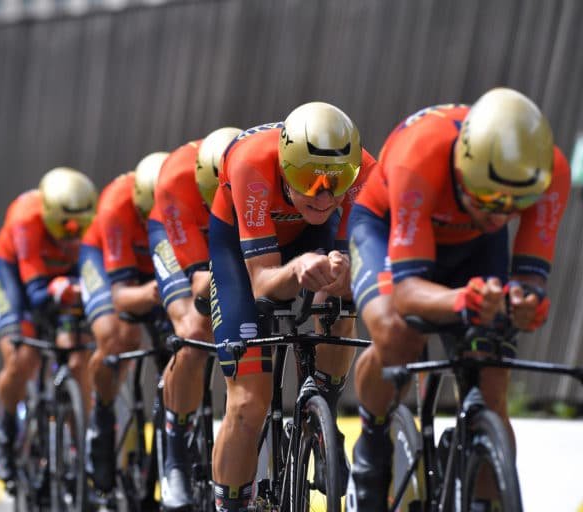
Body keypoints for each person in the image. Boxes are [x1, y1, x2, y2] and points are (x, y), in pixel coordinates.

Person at [346, 88, 570, 511]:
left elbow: (529, 279)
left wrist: (526, 303)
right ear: (463, 170)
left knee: (492, 373)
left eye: (516, 205)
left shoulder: (549, 171)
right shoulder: (419, 156)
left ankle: (483, 489)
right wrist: (463, 302)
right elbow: (408, 295)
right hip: (385, 226)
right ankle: (371, 450)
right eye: (488, 199)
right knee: (397, 333)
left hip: (474, 246)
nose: (500, 215)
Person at [208, 102, 376, 511]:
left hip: (313, 239)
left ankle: (321, 410)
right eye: (308, 179)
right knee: (248, 404)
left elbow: (362, 271)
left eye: (337, 182)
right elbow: (264, 282)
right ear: (284, 166)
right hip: (241, 253)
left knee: (343, 297)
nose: (324, 195)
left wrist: (344, 274)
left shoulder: (365, 173)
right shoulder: (250, 163)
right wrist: (298, 268)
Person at [147, 127, 241, 510]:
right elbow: (201, 282)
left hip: (232, 227)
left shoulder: (253, 173)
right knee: (194, 332)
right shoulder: (175, 180)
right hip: (178, 233)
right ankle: (175, 457)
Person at [0, 167, 97, 482]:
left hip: (64, 280)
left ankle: (79, 448)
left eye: (81, 226)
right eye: (64, 225)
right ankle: (6, 428)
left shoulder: (91, 223)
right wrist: (62, 289)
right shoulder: (26, 219)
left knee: (78, 358)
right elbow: (36, 294)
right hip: (17, 280)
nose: (73, 233)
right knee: (22, 358)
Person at [79, 152, 168, 497]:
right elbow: (120, 296)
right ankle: (102, 419)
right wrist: (150, 293)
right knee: (116, 337)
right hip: (106, 264)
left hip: (155, 265)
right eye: (147, 216)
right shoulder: (116, 205)